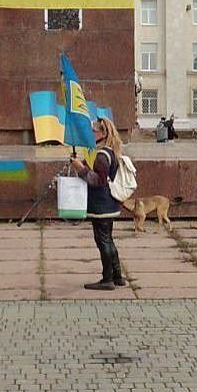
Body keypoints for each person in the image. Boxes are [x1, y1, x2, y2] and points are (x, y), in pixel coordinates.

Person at [69, 117, 127, 291]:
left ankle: (107, 279)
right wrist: (82, 164)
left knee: (103, 241)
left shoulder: (102, 155)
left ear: (102, 133)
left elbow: (99, 180)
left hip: (102, 205)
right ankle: (117, 276)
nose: (90, 133)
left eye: (93, 130)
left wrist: (81, 169)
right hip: (109, 204)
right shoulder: (109, 151)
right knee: (108, 239)